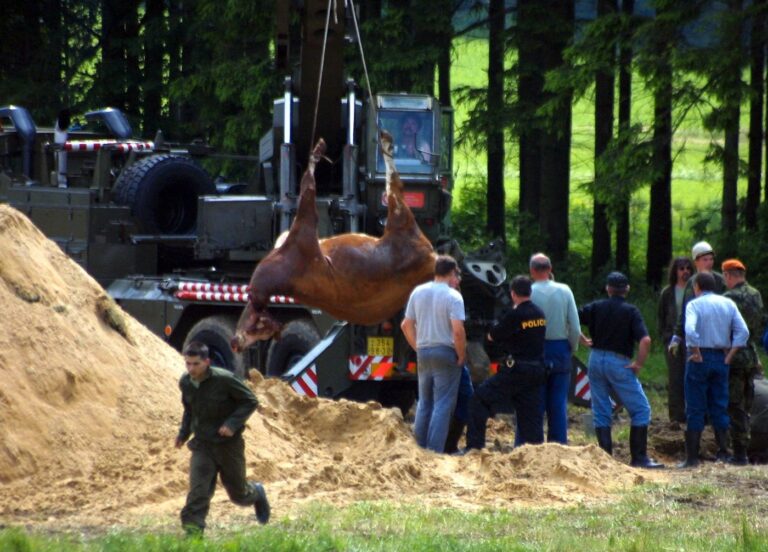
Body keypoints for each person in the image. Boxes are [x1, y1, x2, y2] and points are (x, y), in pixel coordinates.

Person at [176, 341, 270, 536]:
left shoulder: (224, 380)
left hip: (228, 446)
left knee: (239, 495)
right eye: (188, 364)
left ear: (207, 362)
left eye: (196, 364)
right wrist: (183, 434)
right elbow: (189, 410)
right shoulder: (186, 383)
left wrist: (232, 424)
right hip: (202, 445)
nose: (191, 369)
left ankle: (257, 493)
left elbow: (250, 401)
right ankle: (193, 535)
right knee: (198, 494)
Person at [579, 272, 663, 468]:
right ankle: (639, 457)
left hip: (596, 359)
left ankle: (606, 460)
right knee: (641, 409)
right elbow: (645, 340)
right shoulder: (631, 311)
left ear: (608, 289)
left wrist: (581, 338)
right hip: (619, 362)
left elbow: (571, 316)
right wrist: (639, 364)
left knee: (601, 410)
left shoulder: (596, 307)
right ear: (627, 290)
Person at [462, 275, 547, 451]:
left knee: (478, 399)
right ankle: (536, 453)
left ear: (513, 294)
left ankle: (474, 448)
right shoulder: (540, 313)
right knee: (530, 416)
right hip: (537, 370)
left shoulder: (515, 315)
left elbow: (493, 336)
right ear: (530, 292)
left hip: (516, 371)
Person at [679, 272, 749, 468]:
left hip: (699, 357)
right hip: (720, 358)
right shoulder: (728, 303)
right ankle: (724, 453)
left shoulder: (694, 304)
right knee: (719, 404)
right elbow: (743, 331)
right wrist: (729, 355)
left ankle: (692, 458)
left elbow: (690, 330)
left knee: (695, 405)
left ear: (697, 287)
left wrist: (696, 351)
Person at [401, 255, 466, 453]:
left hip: (424, 351)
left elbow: (406, 325)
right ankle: (434, 451)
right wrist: (461, 354)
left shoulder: (418, 292)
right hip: (445, 352)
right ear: (452, 272)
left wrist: (417, 346)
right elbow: (457, 331)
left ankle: (419, 447)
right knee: (443, 403)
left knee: (424, 402)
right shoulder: (453, 296)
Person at [529, 253, 581, 444]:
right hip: (560, 348)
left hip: (536, 349)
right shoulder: (565, 291)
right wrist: (572, 347)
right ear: (550, 269)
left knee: (536, 401)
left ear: (532, 271)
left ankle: (533, 444)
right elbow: (575, 327)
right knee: (558, 403)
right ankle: (558, 445)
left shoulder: (529, 292)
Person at [722, 258, 765, 465]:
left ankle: (739, 453)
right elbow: (758, 325)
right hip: (751, 355)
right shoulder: (756, 294)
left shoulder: (728, 297)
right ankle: (749, 445)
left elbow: (725, 329)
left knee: (734, 404)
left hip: (734, 356)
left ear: (729, 275)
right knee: (749, 403)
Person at [668, 241, 726, 357]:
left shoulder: (720, 280)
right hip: (695, 337)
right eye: (705, 259)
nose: (709, 263)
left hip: (716, 337)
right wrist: (676, 337)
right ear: (696, 262)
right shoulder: (691, 282)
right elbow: (685, 310)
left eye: (711, 259)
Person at [657, 257, 694, 422]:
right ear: (675, 271)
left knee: (691, 375)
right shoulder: (667, 292)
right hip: (672, 339)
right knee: (675, 377)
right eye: (681, 268)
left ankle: (693, 412)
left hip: (691, 339)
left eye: (688, 268)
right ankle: (676, 416)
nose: (685, 271)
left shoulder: (694, 289)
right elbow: (661, 317)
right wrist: (666, 337)